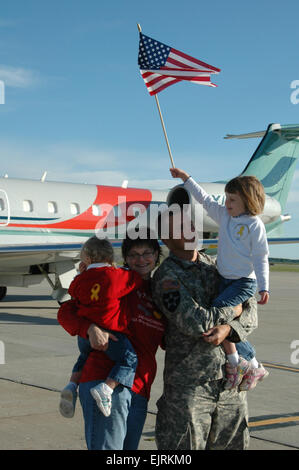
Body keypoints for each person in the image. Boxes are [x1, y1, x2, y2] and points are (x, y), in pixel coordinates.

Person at [152, 208, 258, 450]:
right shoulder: (167, 277)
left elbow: (251, 314)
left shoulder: (219, 267)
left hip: (232, 384)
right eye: (179, 228)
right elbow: (196, 322)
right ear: (166, 239)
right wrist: (233, 312)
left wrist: (227, 329)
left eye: (190, 224)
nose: (189, 230)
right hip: (190, 389)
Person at [57, 232, 166, 450]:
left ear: (156, 256)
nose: (141, 260)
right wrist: (88, 328)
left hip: (140, 388)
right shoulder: (115, 280)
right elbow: (66, 312)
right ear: (123, 259)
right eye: (133, 255)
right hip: (104, 381)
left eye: (147, 253)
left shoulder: (161, 293)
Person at [170, 168, 269, 391]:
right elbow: (203, 199)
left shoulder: (255, 225)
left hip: (244, 282)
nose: (227, 203)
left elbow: (261, 257)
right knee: (223, 320)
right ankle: (253, 364)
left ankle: (236, 363)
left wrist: (264, 287)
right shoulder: (225, 216)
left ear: (248, 200)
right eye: (226, 198)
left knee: (218, 314)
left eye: (232, 199)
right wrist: (186, 179)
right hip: (225, 279)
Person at [59, 236, 143, 419]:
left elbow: (72, 291)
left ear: (87, 259)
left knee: (84, 356)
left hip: (85, 336)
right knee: (129, 359)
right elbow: (136, 279)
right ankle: (107, 388)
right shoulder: (116, 276)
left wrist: (82, 275)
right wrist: (121, 269)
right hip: (111, 334)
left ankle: (72, 385)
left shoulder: (81, 280)